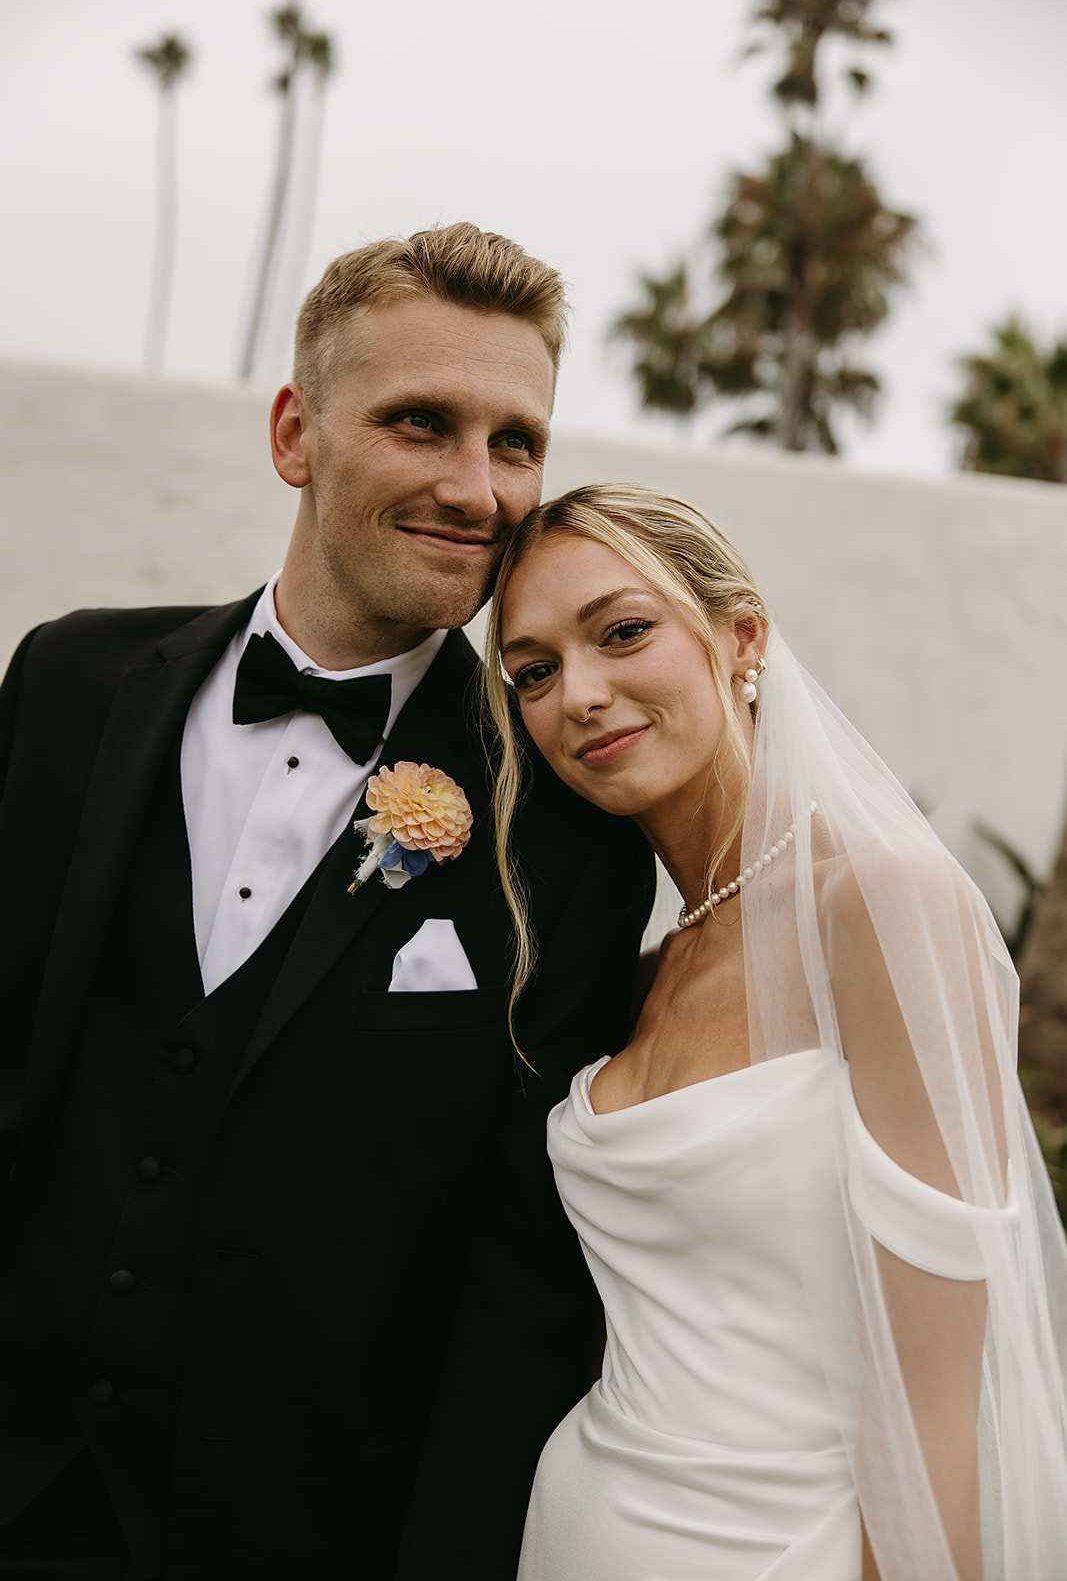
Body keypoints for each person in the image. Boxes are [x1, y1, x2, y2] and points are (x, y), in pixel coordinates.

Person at [0, 232, 655, 1580]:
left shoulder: (569, 834)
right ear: (296, 433)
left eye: (514, 442)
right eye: (420, 422)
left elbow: (522, 1285)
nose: (475, 488)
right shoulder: (67, 683)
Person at [483, 482, 1067, 1581]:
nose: (580, 694)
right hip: (577, 1532)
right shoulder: (642, 972)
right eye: (534, 671)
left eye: (620, 632)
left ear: (739, 635)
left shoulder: (882, 906)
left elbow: (941, 1396)